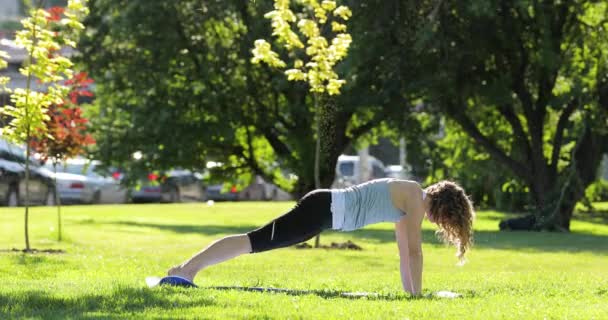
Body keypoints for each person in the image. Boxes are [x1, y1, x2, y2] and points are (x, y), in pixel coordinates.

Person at [168, 178, 475, 295]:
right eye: (448, 219)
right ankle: (186, 271)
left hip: (323, 214)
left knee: (256, 242)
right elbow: (414, 254)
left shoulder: (409, 202)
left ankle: (185, 270)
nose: (442, 223)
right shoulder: (414, 197)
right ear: (446, 207)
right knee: (255, 241)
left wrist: (412, 297)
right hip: (321, 209)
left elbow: (404, 255)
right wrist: (418, 298)